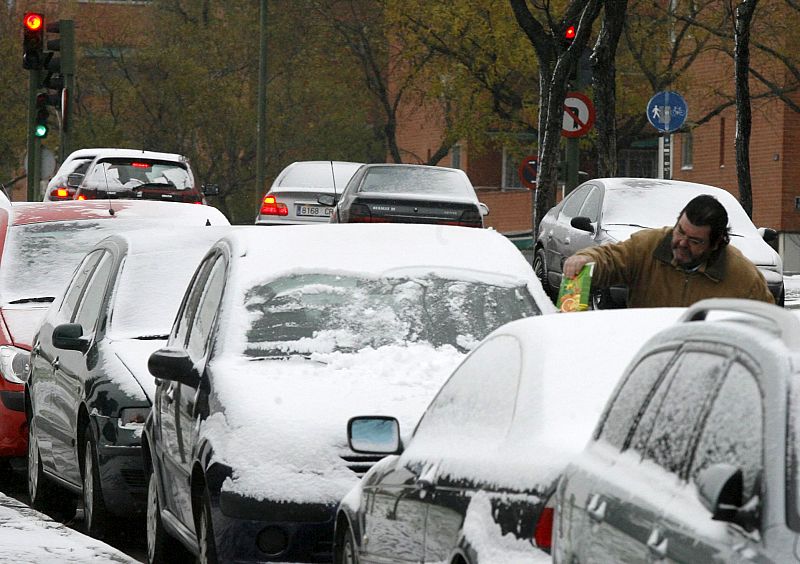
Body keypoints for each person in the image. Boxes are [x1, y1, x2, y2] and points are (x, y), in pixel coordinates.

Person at [562, 194, 775, 307]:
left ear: (716, 243)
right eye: (680, 231)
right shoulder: (647, 246)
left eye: (694, 241)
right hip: (646, 357)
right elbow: (611, 259)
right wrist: (585, 259)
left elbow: (770, 328)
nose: (682, 242)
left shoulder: (744, 278)